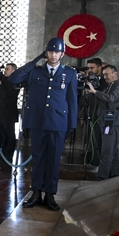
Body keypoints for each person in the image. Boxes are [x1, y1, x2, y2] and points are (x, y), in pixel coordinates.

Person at [9, 38, 78, 211]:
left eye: (57, 52)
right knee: (38, 158)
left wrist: (71, 125)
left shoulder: (69, 73)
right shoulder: (35, 71)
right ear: (45, 53)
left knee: (53, 160)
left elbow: (72, 101)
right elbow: (13, 79)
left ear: (62, 54)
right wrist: (34, 61)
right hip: (38, 122)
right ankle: (36, 192)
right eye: (50, 51)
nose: (53, 55)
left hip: (58, 122)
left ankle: (49, 194)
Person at [84, 64, 119, 180]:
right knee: (112, 151)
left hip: (114, 124)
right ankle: (117, 176)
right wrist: (91, 93)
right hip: (107, 123)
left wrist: (95, 92)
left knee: (106, 153)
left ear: (115, 74)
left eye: (107, 74)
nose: (105, 77)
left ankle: (101, 179)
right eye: (103, 75)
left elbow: (111, 98)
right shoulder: (110, 86)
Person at [0, 63, 21, 162]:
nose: (5, 71)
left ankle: (8, 154)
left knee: (9, 135)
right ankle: (0, 152)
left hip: (8, 114)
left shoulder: (16, 82)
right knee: (0, 134)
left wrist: (0, 84)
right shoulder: (3, 79)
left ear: (13, 71)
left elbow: (7, 96)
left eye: (7, 69)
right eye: (5, 69)